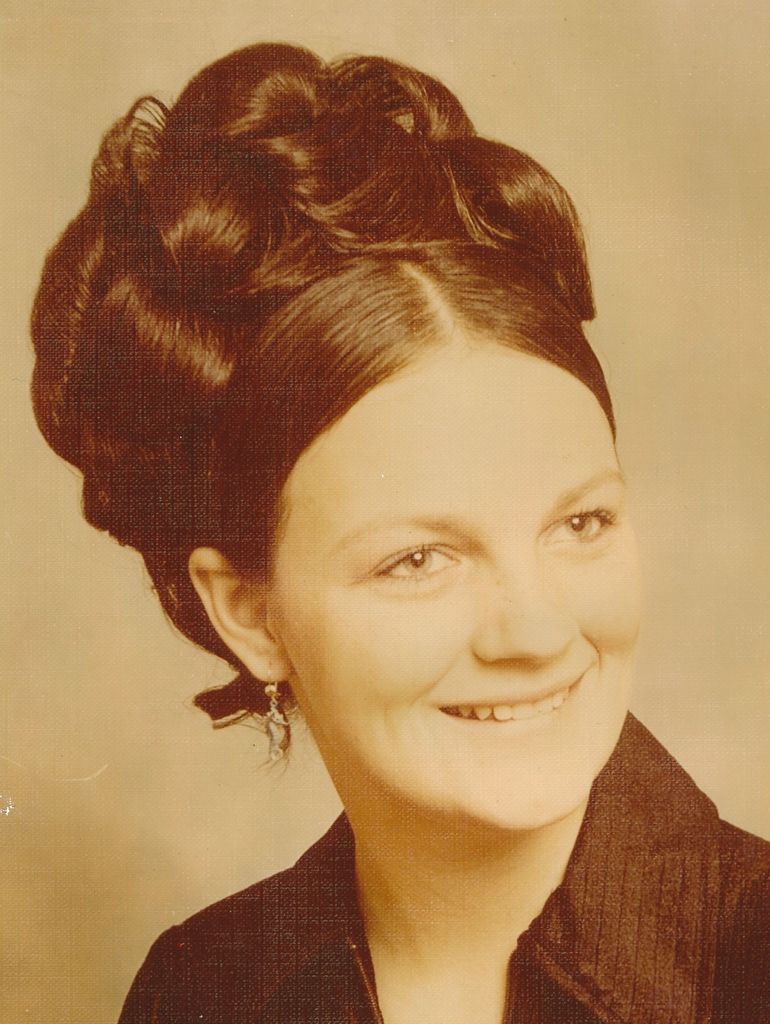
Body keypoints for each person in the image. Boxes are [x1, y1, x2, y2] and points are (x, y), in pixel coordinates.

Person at [30, 42, 769, 1024]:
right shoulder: (200, 990)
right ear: (248, 612)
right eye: (418, 559)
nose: (535, 630)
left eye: (579, 521)